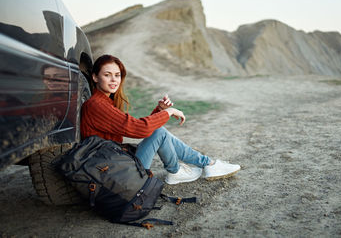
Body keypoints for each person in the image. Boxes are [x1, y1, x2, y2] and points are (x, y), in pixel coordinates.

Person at [80, 54, 240, 185]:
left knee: (157, 131)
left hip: (114, 167)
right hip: (112, 174)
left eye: (117, 75)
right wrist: (168, 112)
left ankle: (197, 166)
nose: (114, 80)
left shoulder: (103, 102)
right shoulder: (96, 105)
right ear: (95, 77)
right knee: (159, 132)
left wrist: (159, 111)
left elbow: (138, 127)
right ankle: (198, 166)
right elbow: (138, 129)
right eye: (107, 75)